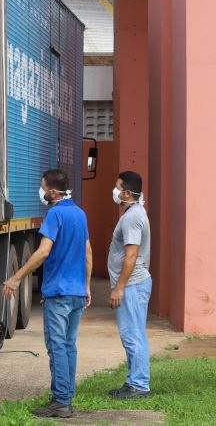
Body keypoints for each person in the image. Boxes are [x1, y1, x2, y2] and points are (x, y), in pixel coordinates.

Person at [3, 169, 92, 419]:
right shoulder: (79, 214)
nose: (40, 192)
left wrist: (16, 277)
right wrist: (85, 286)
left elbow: (43, 252)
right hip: (75, 293)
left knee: (57, 347)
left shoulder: (55, 215)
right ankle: (66, 397)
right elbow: (88, 252)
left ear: (52, 192)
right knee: (68, 346)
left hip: (58, 292)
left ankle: (61, 402)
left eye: (42, 187)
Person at [107, 171, 152, 399]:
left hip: (132, 285)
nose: (114, 191)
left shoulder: (133, 217)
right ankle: (133, 381)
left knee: (133, 334)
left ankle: (139, 385)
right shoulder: (132, 213)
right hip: (133, 284)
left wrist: (119, 287)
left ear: (126, 192)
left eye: (117, 187)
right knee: (133, 334)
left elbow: (131, 256)